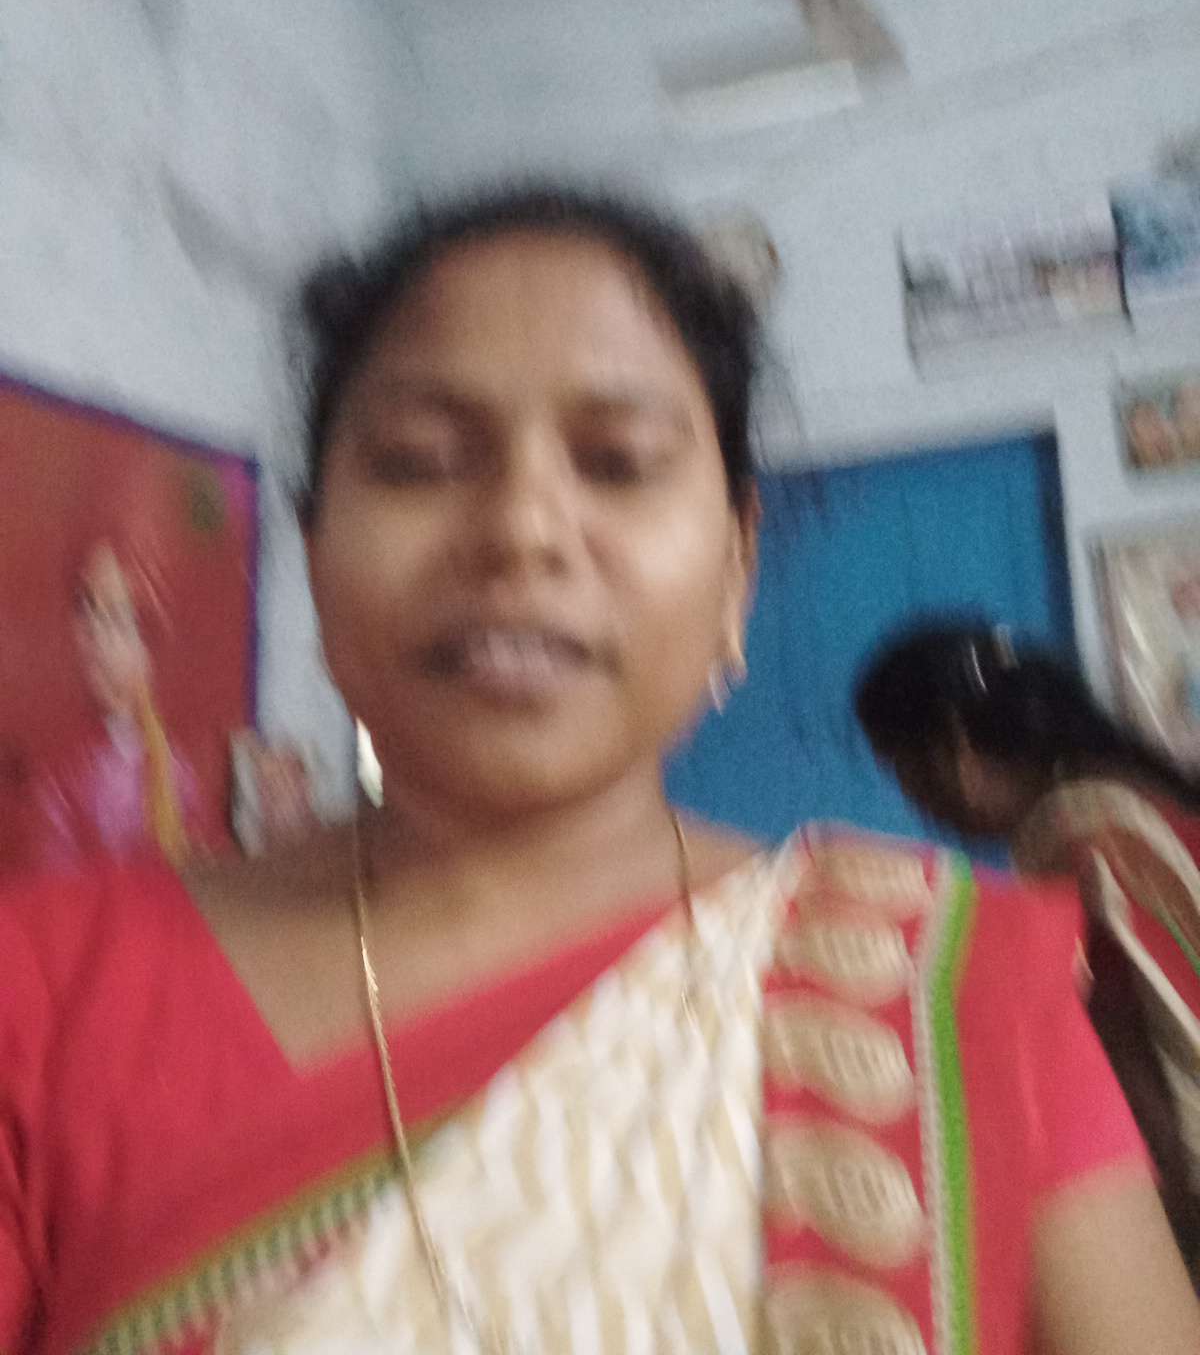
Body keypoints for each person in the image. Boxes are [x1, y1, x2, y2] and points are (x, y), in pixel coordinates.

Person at [2, 190, 1197, 1355]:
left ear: (736, 569)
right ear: (316, 560)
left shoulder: (947, 990)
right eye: (420, 461)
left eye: (619, 463)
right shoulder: (45, 990)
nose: (522, 527)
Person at [856, 619, 1200, 1281]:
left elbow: (1129, 1073)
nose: (916, 802)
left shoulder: (1072, 839)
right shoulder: (1144, 794)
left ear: (958, 747)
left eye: (905, 769)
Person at [15, 540, 217, 874]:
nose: (93, 631)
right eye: (85, 608)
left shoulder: (183, 766)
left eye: (114, 617)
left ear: (151, 647)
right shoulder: (58, 771)